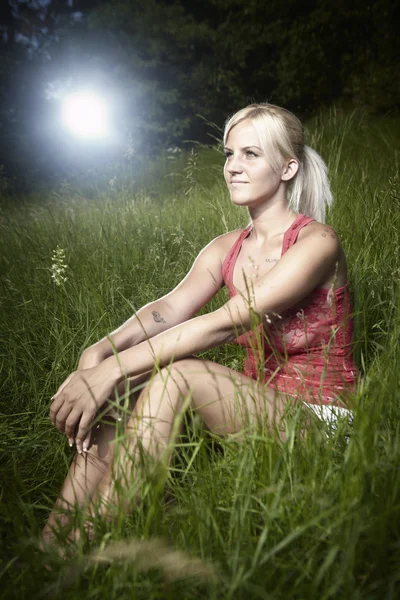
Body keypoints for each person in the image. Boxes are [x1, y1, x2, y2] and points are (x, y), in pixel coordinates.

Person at [43, 103, 358, 543]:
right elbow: (167, 310)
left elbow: (224, 324)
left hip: (322, 422)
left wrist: (113, 367)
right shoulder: (225, 247)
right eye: (229, 154)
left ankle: (85, 548)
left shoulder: (316, 242)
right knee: (123, 385)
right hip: (256, 410)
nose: (232, 167)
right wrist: (99, 354)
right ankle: (51, 547)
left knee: (178, 376)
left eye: (251, 154)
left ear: (287, 167)